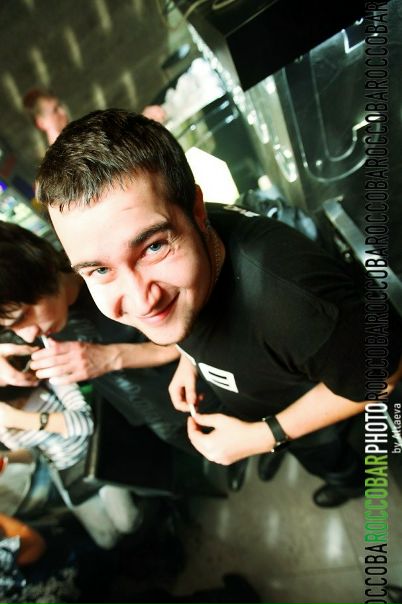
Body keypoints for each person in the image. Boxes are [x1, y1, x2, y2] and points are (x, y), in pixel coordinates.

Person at [35, 109, 402, 508]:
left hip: (311, 410)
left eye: (154, 247)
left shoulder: (294, 303)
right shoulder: (187, 242)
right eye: (100, 270)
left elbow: (382, 376)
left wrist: (266, 435)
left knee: (333, 457)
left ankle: (353, 484)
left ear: (197, 211)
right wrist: (189, 361)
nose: (141, 301)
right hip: (266, 396)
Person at [23, 88, 166, 147]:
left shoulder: (78, 135)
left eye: (60, 106)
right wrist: (142, 123)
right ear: (41, 123)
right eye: (55, 110)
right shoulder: (63, 157)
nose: (63, 112)